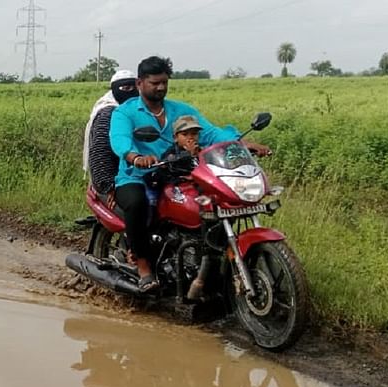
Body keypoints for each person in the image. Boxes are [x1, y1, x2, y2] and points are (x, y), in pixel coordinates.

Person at [109, 56, 270, 292]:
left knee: (210, 204)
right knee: (136, 202)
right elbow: (119, 139)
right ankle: (144, 267)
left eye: (164, 82)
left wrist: (241, 143)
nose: (161, 87)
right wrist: (135, 157)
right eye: (155, 83)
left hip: (177, 174)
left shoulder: (181, 110)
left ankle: (208, 263)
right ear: (140, 82)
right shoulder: (125, 113)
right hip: (138, 175)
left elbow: (211, 134)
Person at [83, 70, 139, 200]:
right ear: (114, 90)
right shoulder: (108, 114)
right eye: (125, 88)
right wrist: (109, 185)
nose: (130, 91)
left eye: (134, 87)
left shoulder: (140, 109)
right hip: (117, 178)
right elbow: (101, 152)